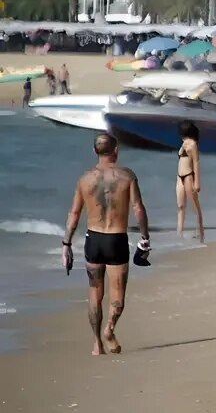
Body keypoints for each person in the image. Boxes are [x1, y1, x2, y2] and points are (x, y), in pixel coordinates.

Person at [61, 134, 150, 355]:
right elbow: (138, 208)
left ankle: (96, 343)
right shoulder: (127, 176)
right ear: (116, 150)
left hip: (94, 241)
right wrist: (145, 237)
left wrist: (66, 243)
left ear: (95, 152)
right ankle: (109, 330)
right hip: (117, 240)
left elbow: (74, 213)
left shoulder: (84, 179)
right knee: (117, 296)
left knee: (95, 294)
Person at [176, 121, 204, 243]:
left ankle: (200, 232)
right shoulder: (183, 144)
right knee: (180, 205)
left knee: (195, 206)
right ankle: (179, 233)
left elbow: (196, 163)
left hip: (188, 176)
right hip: (179, 177)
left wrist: (197, 182)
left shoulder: (192, 145)